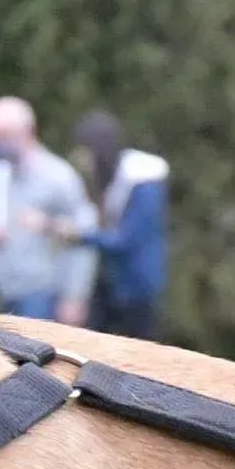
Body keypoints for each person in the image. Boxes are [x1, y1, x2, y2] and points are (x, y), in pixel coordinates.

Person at [0, 96, 96, 323]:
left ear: (28, 130)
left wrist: (75, 296)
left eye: (4, 135)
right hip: (3, 288)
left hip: (44, 291)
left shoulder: (58, 176)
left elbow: (84, 236)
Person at [60, 111, 169, 339]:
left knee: (140, 354)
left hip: (137, 285)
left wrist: (79, 236)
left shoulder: (143, 183)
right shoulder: (112, 180)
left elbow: (126, 240)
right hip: (113, 283)